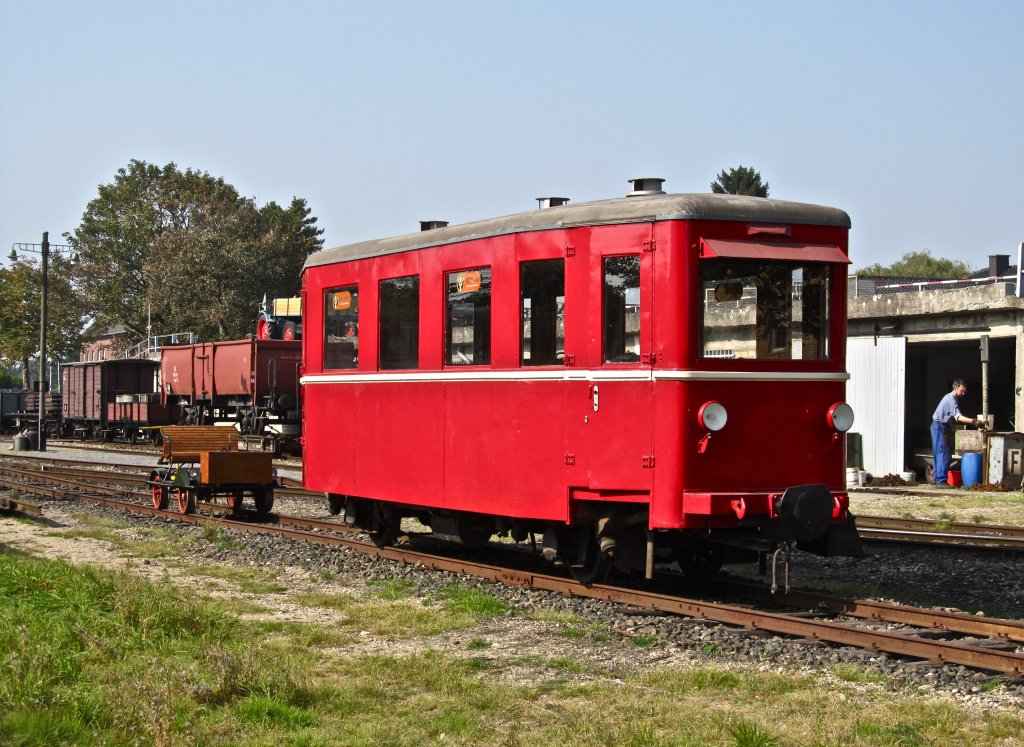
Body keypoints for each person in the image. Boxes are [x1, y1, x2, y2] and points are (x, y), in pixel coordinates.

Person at [930, 378, 981, 486]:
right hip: (939, 426)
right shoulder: (951, 399)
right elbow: (958, 417)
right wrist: (974, 421)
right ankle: (941, 481)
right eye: (961, 390)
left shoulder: (954, 398)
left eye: (964, 391)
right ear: (955, 388)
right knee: (942, 453)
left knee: (945, 453)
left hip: (944, 426)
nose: (963, 393)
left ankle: (936, 477)